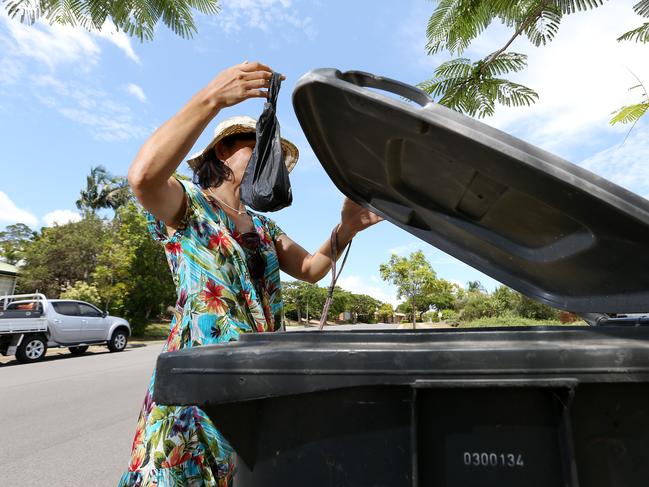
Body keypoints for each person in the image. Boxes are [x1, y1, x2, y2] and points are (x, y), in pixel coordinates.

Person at [118, 61, 382, 486]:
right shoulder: (188, 206)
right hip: (196, 389)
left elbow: (312, 269)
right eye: (258, 146)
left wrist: (346, 227)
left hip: (255, 383)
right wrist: (211, 98)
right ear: (224, 151)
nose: (268, 156)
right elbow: (144, 178)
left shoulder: (263, 227)